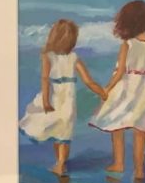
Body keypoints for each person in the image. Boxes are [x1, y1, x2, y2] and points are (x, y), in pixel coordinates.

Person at [19, 18, 106, 175]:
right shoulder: (73, 58)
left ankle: (59, 164)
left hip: (54, 97)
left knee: (57, 130)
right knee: (64, 132)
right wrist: (102, 93)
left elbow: (45, 79)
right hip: (67, 100)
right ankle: (60, 163)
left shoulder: (48, 56)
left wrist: (45, 100)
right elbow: (89, 81)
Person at [90, 0, 145, 180]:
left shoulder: (128, 44)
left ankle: (119, 163)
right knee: (140, 133)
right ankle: (139, 171)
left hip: (126, 89)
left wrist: (107, 89)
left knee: (117, 127)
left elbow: (120, 72)